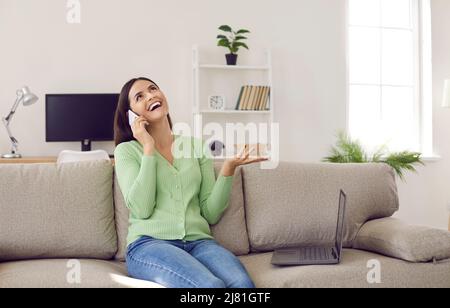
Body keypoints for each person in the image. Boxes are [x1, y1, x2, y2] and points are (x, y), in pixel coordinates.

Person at [113, 77, 268, 288]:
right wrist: (148, 147)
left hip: (200, 243)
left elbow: (210, 213)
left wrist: (228, 167)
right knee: (210, 286)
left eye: (153, 89)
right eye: (140, 97)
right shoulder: (127, 151)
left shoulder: (196, 147)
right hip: (149, 244)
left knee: (242, 285)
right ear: (131, 115)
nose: (151, 95)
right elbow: (141, 209)